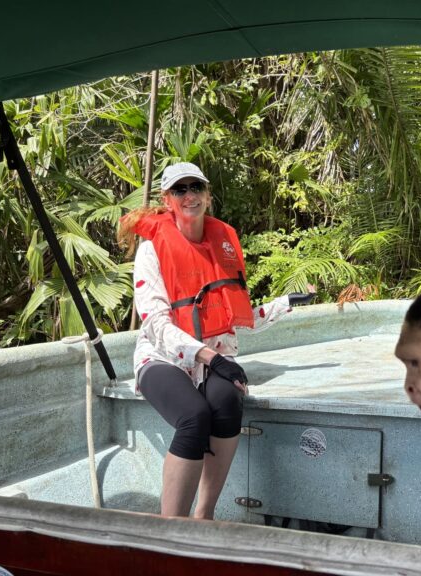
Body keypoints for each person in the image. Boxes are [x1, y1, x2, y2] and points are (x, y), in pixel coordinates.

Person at [117, 161, 313, 519]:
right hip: (163, 358)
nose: (189, 195)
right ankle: (170, 529)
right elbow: (158, 324)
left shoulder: (221, 245)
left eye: (196, 187)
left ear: (207, 195)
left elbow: (234, 316)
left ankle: (203, 516)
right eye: (180, 190)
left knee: (227, 403)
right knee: (194, 416)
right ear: (168, 199)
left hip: (212, 357)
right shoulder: (151, 251)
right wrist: (208, 356)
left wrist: (285, 303)